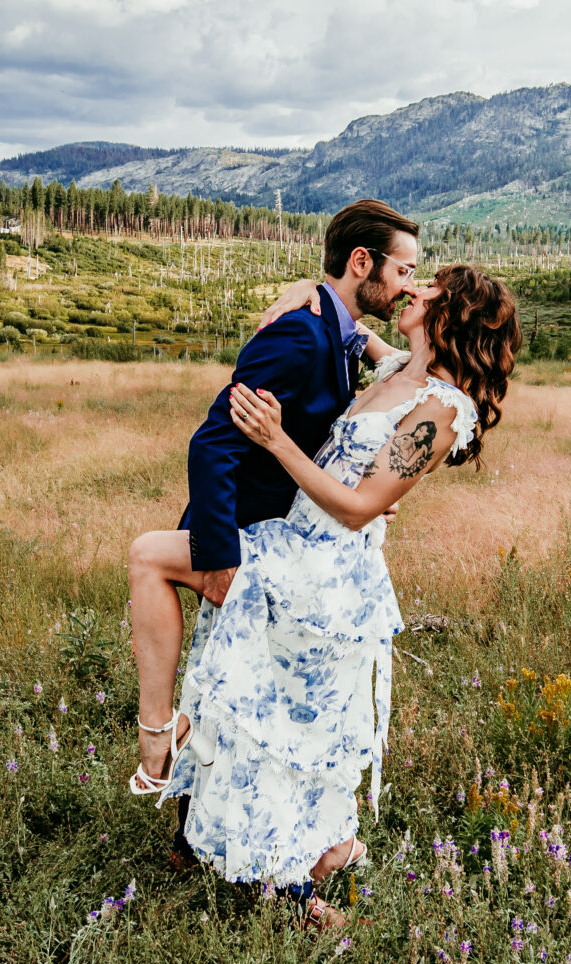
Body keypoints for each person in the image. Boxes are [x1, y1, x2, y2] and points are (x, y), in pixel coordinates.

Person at [163, 263, 520, 927]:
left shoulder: (442, 410)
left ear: (451, 315)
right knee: (236, 690)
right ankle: (200, 839)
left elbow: (360, 506)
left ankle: (294, 888)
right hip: (290, 544)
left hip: (329, 579)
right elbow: (346, 328)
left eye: (431, 287)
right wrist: (298, 289)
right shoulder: (397, 370)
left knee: (287, 729)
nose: (413, 289)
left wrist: (276, 440)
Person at [123, 199, 422, 796]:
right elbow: (212, 445)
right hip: (245, 529)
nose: (409, 286)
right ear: (363, 262)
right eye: (405, 271)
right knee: (230, 676)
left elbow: (359, 355)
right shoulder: (299, 334)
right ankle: (161, 745)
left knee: (247, 689)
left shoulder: (341, 334)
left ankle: (203, 815)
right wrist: (216, 559)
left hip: (298, 538)